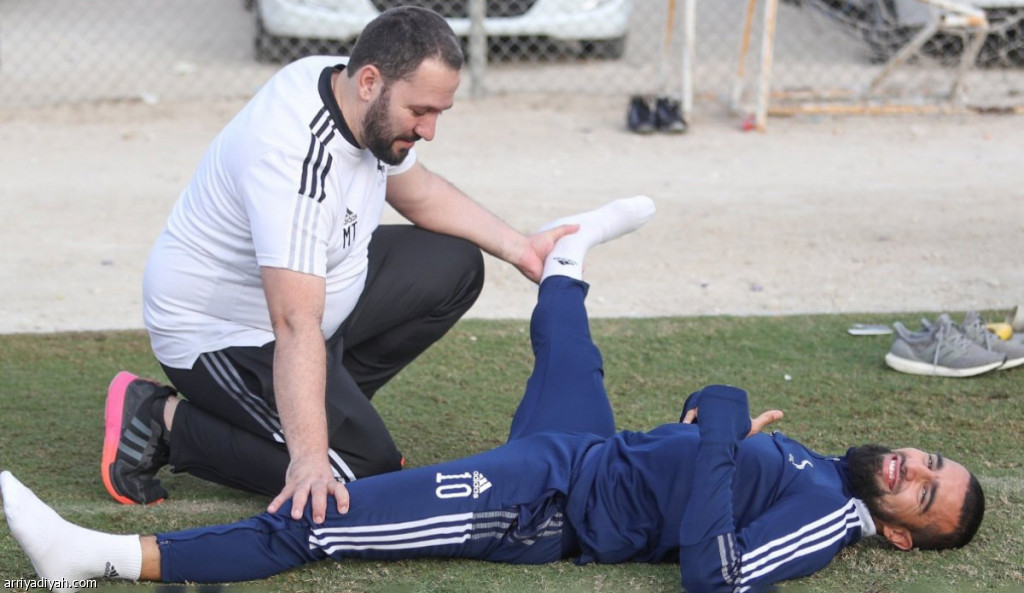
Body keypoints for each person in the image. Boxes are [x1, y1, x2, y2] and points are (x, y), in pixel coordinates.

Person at [3, 198, 984, 593]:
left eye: (922, 492)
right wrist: (708, 421)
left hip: (548, 501)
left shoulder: (824, 517)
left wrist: (721, 434)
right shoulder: (823, 468)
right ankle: (567, 256)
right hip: (591, 451)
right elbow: (708, 458)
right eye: (929, 460)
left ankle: (101, 558)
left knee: (328, 515)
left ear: (902, 535)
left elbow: (716, 574)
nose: (912, 466)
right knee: (571, 354)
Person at [101, 5, 578, 526]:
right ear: (370, 82)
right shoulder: (293, 163)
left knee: (456, 264)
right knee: (362, 474)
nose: (430, 129)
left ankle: (316, 407)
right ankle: (162, 420)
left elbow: (419, 193)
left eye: (439, 112)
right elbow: (293, 322)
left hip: (313, 299)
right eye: (421, 111)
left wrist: (520, 248)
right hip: (223, 332)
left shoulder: (349, 89)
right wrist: (310, 458)